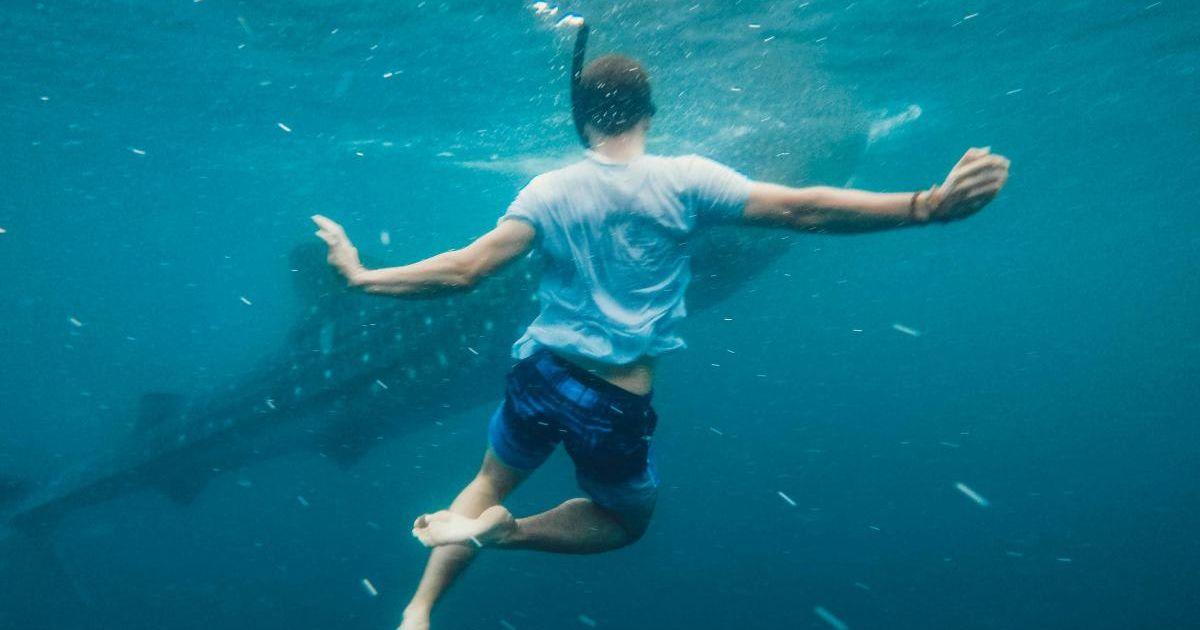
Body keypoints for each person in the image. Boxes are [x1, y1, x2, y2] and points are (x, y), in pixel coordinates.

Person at [313, 34, 1009, 630]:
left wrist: (361, 275)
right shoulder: (686, 180)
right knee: (623, 521)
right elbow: (808, 210)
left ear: (581, 119)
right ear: (651, 114)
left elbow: (463, 270)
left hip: (538, 372)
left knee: (486, 481)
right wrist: (925, 206)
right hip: (612, 397)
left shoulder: (547, 191)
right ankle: (511, 535)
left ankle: (418, 611)